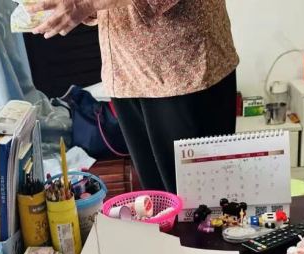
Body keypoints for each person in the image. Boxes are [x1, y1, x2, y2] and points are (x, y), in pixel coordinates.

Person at [29, 0, 239, 192]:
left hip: (181, 70)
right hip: (126, 71)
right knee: (159, 203)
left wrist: (83, 4)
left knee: (200, 202)